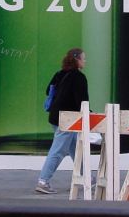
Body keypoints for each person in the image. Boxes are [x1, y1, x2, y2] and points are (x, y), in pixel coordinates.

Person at [35, 48, 88, 194]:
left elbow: (48, 90)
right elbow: (82, 101)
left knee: (75, 148)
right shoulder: (79, 77)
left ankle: (87, 177)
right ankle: (43, 181)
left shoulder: (59, 74)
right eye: (83, 58)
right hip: (67, 119)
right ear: (77, 60)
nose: (85, 61)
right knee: (58, 151)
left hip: (55, 117)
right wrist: (89, 113)